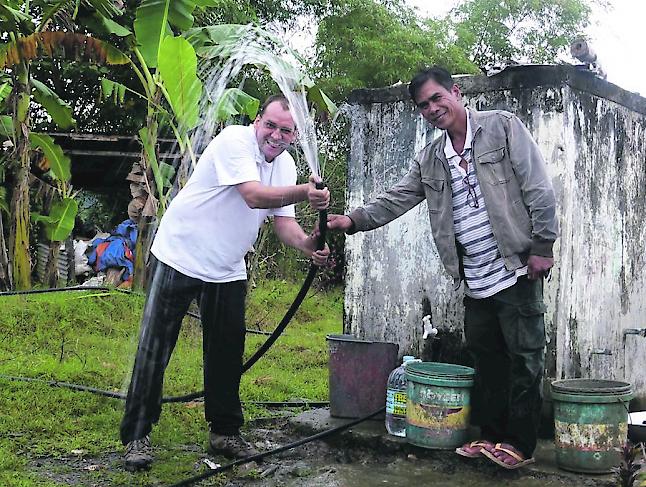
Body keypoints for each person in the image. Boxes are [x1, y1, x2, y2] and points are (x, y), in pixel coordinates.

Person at [327, 66, 558, 469]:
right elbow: (396, 198)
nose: (433, 109)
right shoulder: (431, 159)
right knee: (487, 360)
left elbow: (538, 185)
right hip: (475, 278)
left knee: (525, 357)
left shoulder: (502, 128)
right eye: (424, 106)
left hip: (516, 267)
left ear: (455, 92)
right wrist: (353, 220)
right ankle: (490, 436)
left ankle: (520, 444)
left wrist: (543, 244)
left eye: (437, 98)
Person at [120, 94, 330, 471]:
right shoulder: (234, 140)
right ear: (257, 121)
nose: (276, 135)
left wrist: (308, 244)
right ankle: (137, 436)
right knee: (156, 348)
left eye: (286, 130)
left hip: (227, 267)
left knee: (227, 351)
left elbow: (283, 222)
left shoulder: (285, 166)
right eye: (271, 125)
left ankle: (225, 432)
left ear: (295, 134)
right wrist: (305, 191)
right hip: (179, 255)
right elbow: (252, 197)